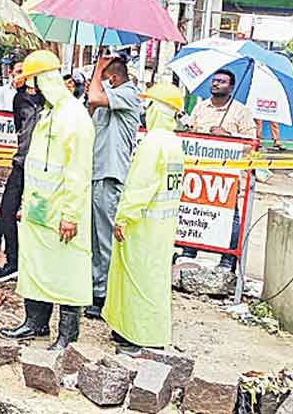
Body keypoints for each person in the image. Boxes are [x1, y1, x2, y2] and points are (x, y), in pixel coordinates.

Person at [0, 50, 94, 351]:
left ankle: (67, 335)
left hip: (62, 212)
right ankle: (35, 322)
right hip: (39, 208)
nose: (31, 90)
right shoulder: (48, 113)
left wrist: (70, 214)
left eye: (34, 84)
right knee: (36, 265)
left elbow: (78, 171)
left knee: (66, 270)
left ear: (46, 81)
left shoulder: (75, 117)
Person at [104, 83, 186, 355]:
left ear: (159, 109)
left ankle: (140, 337)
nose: (146, 110)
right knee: (152, 279)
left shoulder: (153, 143)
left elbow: (141, 185)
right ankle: (131, 329)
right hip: (161, 227)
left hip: (142, 225)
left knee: (138, 280)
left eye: (150, 105)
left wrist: (124, 217)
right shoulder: (173, 142)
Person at [83, 55, 143, 320]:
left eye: (104, 79)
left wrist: (98, 69)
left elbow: (96, 98)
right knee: (95, 239)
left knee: (106, 239)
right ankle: (96, 287)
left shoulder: (128, 94)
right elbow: (89, 110)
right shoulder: (107, 97)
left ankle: (107, 294)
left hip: (111, 174)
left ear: (114, 79)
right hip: (96, 172)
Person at [181, 68, 257, 271]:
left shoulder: (241, 112)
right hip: (198, 172)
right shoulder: (200, 108)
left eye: (222, 81)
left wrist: (228, 135)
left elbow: (252, 143)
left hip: (227, 175)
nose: (216, 84)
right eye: (214, 80)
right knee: (194, 212)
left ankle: (227, 260)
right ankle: (188, 253)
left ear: (231, 87)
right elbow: (191, 133)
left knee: (229, 216)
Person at [0, 59, 44, 284]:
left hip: (43, 168)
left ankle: (36, 265)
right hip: (21, 163)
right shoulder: (19, 98)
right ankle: (13, 262)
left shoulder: (51, 100)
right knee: (6, 210)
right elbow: (19, 127)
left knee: (37, 216)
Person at [0, 58, 24, 255]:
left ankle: (12, 247)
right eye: (18, 71)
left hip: (18, 152)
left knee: (13, 203)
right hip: (0, 149)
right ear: (10, 72)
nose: (21, 75)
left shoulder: (31, 96)